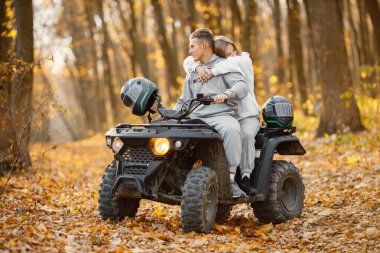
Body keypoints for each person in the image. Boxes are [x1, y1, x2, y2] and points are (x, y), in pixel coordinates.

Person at [174, 28, 249, 198]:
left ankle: (230, 180)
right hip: (197, 118)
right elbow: (184, 100)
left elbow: (241, 86)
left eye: (192, 46)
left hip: (221, 116)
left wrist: (226, 94)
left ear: (203, 45)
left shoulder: (225, 65)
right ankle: (178, 175)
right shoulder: (193, 71)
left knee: (233, 129)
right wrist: (169, 114)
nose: (189, 51)